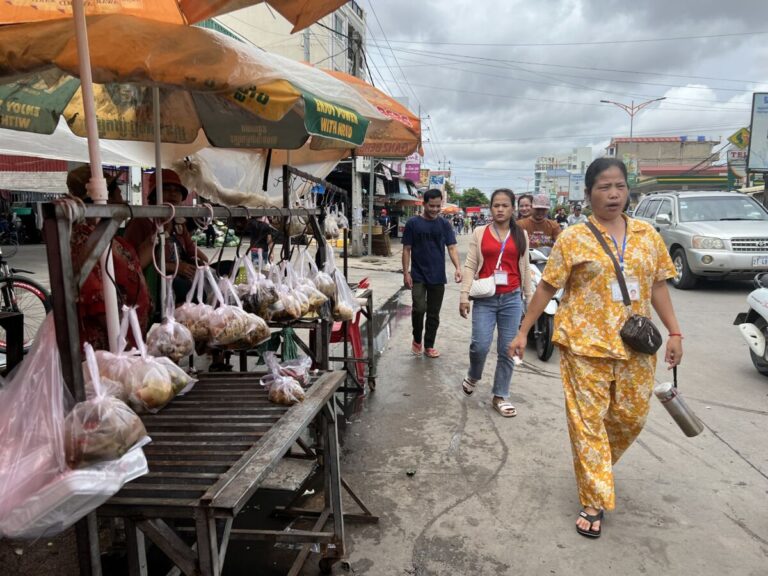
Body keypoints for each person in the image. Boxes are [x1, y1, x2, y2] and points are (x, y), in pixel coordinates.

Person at [508, 158, 683, 539]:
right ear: (588, 194)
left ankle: (596, 466)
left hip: (636, 345)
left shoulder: (647, 235)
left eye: (619, 186)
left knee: (631, 419)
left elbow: (657, 286)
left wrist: (675, 332)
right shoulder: (573, 238)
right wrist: (522, 331)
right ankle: (593, 497)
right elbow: (547, 287)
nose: (614, 193)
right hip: (584, 345)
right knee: (587, 425)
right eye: (604, 187)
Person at [459, 188, 532, 417]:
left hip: (512, 298)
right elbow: (470, 265)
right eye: (496, 205)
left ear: (513, 209)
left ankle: (500, 395)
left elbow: (525, 268)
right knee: (479, 345)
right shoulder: (480, 233)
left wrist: (528, 299)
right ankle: (473, 374)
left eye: (505, 205)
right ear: (491, 208)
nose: (500, 209)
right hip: (485, 298)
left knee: (506, 350)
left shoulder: (521, 235)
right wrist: (464, 295)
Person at [67, 165, 152, 351]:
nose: (123, 199)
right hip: (108, 345)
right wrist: (123, 342)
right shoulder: (84, 241)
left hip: (128, 336)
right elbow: (94, 296)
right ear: (105, 198)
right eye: (119, 193)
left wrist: (154, 240)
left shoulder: (110, 237)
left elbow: (133, 268)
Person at [124, 169, 209, 305]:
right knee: (189, 290)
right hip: (155, 283)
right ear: (153, 196)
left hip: (181, 276)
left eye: (177, 190)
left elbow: (194, 251)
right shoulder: (140, 222)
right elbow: (132, 264)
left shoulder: (177, 223)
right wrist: (172, 266)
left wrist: (202, 264)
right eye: (167, 189)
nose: (173, 193)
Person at [402, 189, 462, 358]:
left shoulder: (444, 224)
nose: (435, 209)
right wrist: (406, 272)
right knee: (419, 308)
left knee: (434, 314)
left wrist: (458, 267)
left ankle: (429, 345)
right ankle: (416, 339)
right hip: (418, 275)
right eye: (431, 206)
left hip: (438, 276)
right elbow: (407, 249)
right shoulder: (413, 224)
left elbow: (451, 247)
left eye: (437, 206)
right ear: (424, 203)